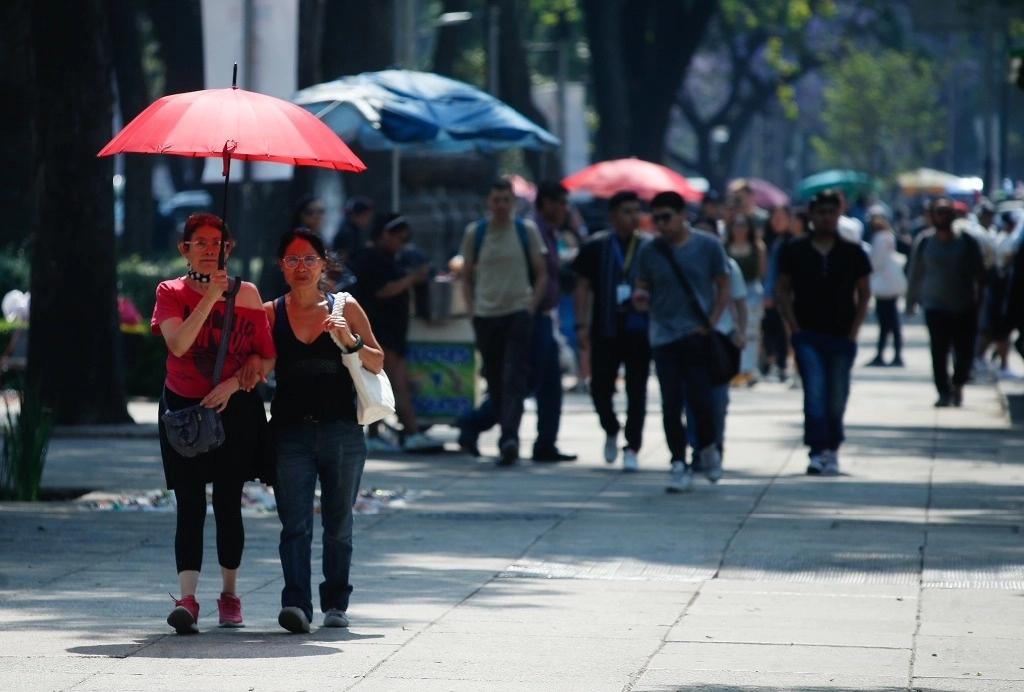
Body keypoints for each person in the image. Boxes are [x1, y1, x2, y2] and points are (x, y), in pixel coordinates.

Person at [152, 212, 276, 634]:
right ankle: (187, 600)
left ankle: (230, 594)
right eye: (200, 243)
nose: (210, 250)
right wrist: (209, 298)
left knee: (227, 502)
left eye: (217, 243)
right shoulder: (169, 291)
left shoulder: (249, 294)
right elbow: (180, 343)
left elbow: (267, 355)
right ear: (184, 250)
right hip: (184, 411)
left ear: (230, 248)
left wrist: (238, 380)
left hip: (234, 409)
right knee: (189, 505)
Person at [263, 227, 385, 634]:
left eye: (309, 259)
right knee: (294, 524)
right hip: (289, 433)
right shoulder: (269, 313)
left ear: (323, 265)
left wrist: (347, 340)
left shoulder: (344, 307)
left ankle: (336, 602)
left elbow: (377, 361)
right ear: (281, 266)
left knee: (339, 522)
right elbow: (258, 364)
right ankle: (296, 603)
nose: (301, 267)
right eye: (293, 260)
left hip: (342, 431)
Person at [457, 183, 576, 462]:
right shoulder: (476, 233)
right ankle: (472, 424)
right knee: (496, 380)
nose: (501, 205)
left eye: (506, 200)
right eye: (496, 199)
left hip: (518, 314)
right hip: (486, 316)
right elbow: (465, 275)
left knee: (514, 378)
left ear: (513, 203)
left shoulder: (526, 231)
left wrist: (530, 306)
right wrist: (472, 310)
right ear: (489, 202)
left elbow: (542, 271)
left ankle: (509, 438)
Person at [632, 191, 730, 492]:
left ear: (682, 215)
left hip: (695, 334)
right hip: (663, 336)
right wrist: (640, 298)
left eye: (666, 217)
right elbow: (642, 284)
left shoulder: (708, 246)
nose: (661, 224)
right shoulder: (649, 251)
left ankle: (708, 448)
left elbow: (723, 285)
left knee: (702, 400)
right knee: (670, 401)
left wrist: (711, 322)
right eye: (656, 218)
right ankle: (678, 461)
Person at [775, 189, 871, 476]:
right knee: (814, 392)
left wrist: (855, 331)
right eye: (820, 213)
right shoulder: (794, 249)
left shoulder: (853, 252)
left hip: (842, 335)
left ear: (839, 214)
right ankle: (816, 450)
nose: (826, 218)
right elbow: (782, 290)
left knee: (837, 395)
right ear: (811, 216)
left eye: (831, 212)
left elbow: (864, 293)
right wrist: (794, 328)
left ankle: (833, 448)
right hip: (808, 335)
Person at [572, 190, 651, 472]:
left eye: (636, 211)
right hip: (605, 328)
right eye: (626, 211)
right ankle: (610, 426)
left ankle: (632, 446)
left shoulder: (650, 247)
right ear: (613, 216)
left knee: (637, 390)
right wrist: (580, 325)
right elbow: (580, 286)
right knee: (600, 388)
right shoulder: (596, 246)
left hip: (640, 331)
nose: (633, 217)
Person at [350, 214, 441, 452]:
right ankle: (409, 432)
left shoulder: (391, 258)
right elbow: (382, 291)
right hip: (381, 332)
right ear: (384, 235)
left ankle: (376, 433)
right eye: (397, 236)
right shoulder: (371, 259)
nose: (401, 241)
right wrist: (412, 279)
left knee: (380, 384)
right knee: (396, 383)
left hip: (390, 332)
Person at [906, 198, 985, 407]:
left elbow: (981, 275)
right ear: (932, 216)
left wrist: (981, 301)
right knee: (938, 351)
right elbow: (915, 273)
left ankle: (958, 383)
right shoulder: (924, 242)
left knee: (964, 351)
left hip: (965, 305)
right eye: (938, 212)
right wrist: (910, 301)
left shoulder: (967, 242)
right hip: (934, 306)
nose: (943, 216)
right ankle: (943, 391)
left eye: (946, 212)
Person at [687, 255, 748, 470]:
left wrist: (741, 331)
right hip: (688, 337)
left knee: (718, 400)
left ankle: (715, 445)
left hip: (720, 340)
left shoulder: (728, 265)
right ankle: (698, 449)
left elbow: (740, 302)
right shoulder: (681, 260)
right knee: (691, 399)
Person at [724, 214, 766, 385]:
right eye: (736, 225)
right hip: (730, 293)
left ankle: (748, 369)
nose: (739, 229)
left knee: (751, 332)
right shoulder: (725, 246)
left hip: (751, 291)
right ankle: (733, 368)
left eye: (743, 225)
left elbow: (762, 272)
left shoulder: (757, 247)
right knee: (731, 329)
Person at [865, 214, 907, 367]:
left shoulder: (879, 238)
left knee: (886, 323)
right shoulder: (889, 236)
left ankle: (885, 355)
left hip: (884, 285)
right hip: (892, 282)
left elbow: (876, 262)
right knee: (892, 322)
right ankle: (893, 354)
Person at [761, 205, 793, 381]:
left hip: (786, 292)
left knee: (783, 330)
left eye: (782, 218)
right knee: (769, 329)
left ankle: (782, 363)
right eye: (775, 217)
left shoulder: (791, 241)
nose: (778, 221)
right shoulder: (767, 239)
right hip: (770, 290)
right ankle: (769, 362)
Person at [332, 196, 375, 263]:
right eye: (366, 216)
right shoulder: (346, 233)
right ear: (354, 215)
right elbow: (344, 261)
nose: (368, 220)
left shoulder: (355, 230)